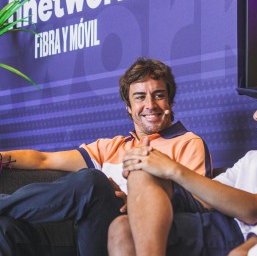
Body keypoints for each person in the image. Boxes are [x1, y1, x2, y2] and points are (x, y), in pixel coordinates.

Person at [108, 62, 257, 256]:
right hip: (216, 222)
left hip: (243, 235)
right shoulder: (255, 157)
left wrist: (172, 169)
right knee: (128, 207)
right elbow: (206, 199)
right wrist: (143, 197)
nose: (256, 114)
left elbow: (256, 210)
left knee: (135, 209)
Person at [0, 57, 212, 256]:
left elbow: (199, 206)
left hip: (133, 239)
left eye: (158, 95)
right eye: (140, 97)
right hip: (85, 235)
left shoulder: (187, 142)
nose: (150, 105)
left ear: (170, 103)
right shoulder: (112, 146)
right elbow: (42, 160)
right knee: (5, 229)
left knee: (93, 181)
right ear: (129, 108)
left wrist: (142, 202)